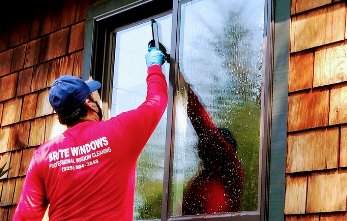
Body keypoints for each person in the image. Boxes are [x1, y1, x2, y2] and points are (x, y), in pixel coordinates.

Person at [14, 47, 168, 221]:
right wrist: (154, 67)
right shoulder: (119, 131)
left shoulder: (42, 157)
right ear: (89, 104)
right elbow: (156, 102)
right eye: (94, 96)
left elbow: (25, 217)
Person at [180, 75, 244, 215]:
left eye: (207, 145)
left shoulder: (228, 170)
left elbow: (204, 126)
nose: (201, 149)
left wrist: (184, 88)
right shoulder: (205, 177)